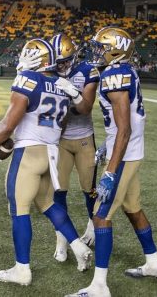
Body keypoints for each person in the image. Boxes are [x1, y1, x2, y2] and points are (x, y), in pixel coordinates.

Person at [0, 38, 92, 286]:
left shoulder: (28, 79)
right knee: (47, 204)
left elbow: (9, 122)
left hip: (28, 152)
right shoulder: (62, 85)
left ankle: (22, 270)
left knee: (19, 209)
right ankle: (77, 246)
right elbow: (62, 123)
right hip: (50, 153)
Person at [67, 27, 157, 297]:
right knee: (133, 209)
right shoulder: (123, 70)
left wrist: (110, 170)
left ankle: (99, 286)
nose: (96, 51)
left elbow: (125, 129)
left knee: (100, 217)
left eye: (101, 47)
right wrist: (107, 149)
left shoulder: (113, 75)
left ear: (115, 49)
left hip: (124, 155)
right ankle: (154, 262)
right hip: (128, 152)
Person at [48, 34, 100, 263]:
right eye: (59, 62)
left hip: (84, 138)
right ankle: (61, 240)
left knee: (89, 188)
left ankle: (92, 226)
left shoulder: (88, 70)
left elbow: (86, 108)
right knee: (59, 192)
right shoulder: (48, 72)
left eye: (67, 60)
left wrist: (73, 94)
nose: (63, 66)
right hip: (59, 140)